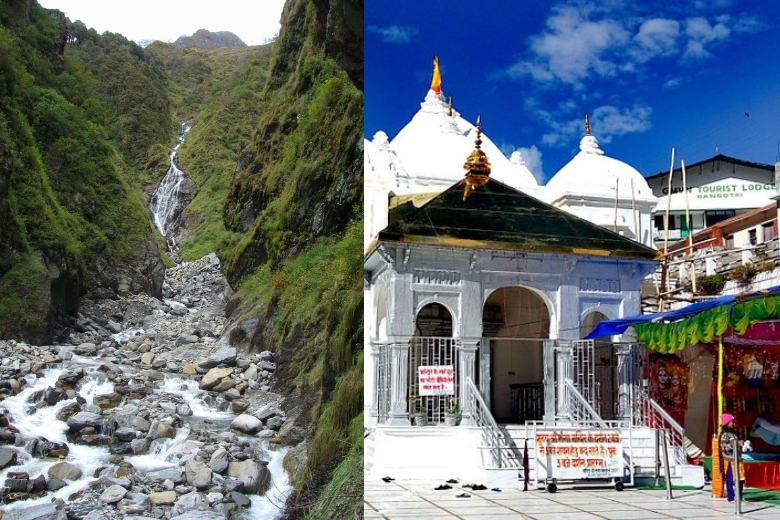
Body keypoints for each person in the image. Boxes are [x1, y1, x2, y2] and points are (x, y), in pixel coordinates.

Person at [720, 413, 745, 502]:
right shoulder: (724, 435)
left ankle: (739, 495)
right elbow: (724, 447)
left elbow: (736, 443)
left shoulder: (733, 433)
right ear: (727, 423)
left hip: (737, 459)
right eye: (731, 422)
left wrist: (741, 443)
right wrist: (735, 444)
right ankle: (731, 497)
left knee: (741, 478)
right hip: (730, 459)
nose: (733, 423)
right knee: (730, 478)